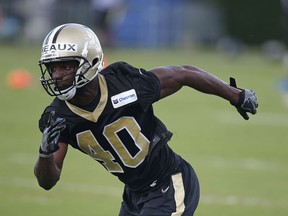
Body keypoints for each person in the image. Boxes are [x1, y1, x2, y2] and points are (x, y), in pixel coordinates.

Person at [34, 23, 258, 216]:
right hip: (134, 195)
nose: (57, 76)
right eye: (53, 68)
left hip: (169, 182)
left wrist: (236, 95)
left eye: (65, 66)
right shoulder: (58, 117)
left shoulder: (125, 84)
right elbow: (47, 182)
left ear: (89, 61)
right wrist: (44, 154)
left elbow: (184, 73)